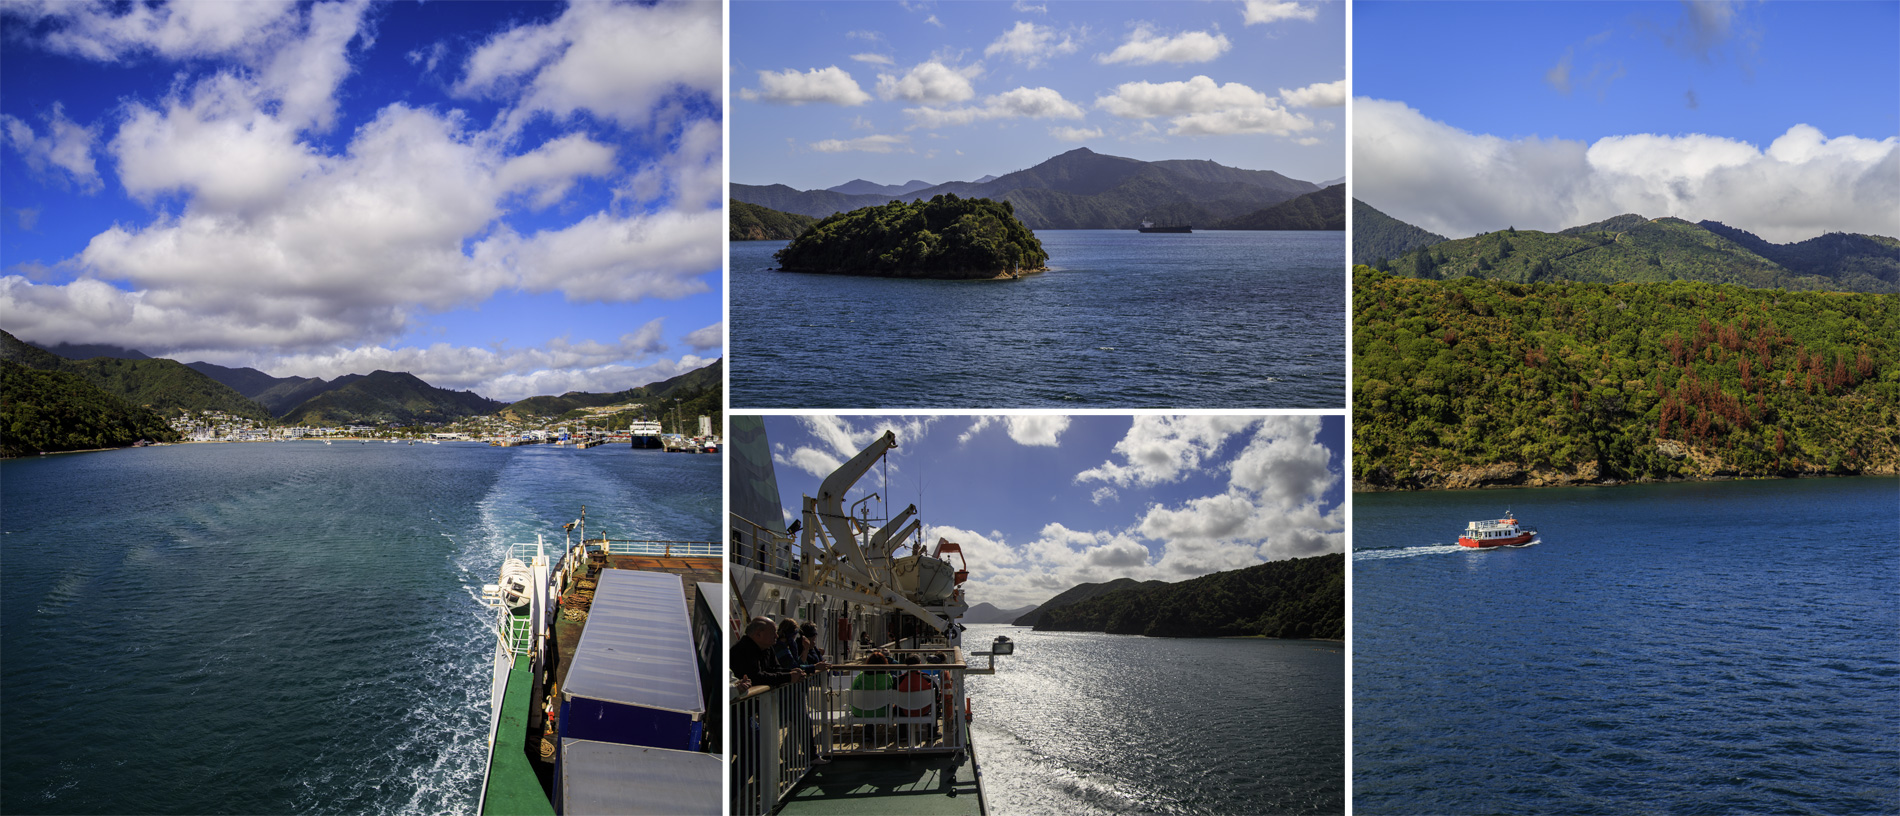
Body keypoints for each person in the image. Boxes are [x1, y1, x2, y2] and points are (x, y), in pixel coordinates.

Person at [732, 619, 803, 687]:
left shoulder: (767, 647)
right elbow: (756, 677)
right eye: (773, 633)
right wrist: (788, 677)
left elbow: (775, 669)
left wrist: (791, 672)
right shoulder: (744, 649)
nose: (776, 636)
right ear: (758, 634)